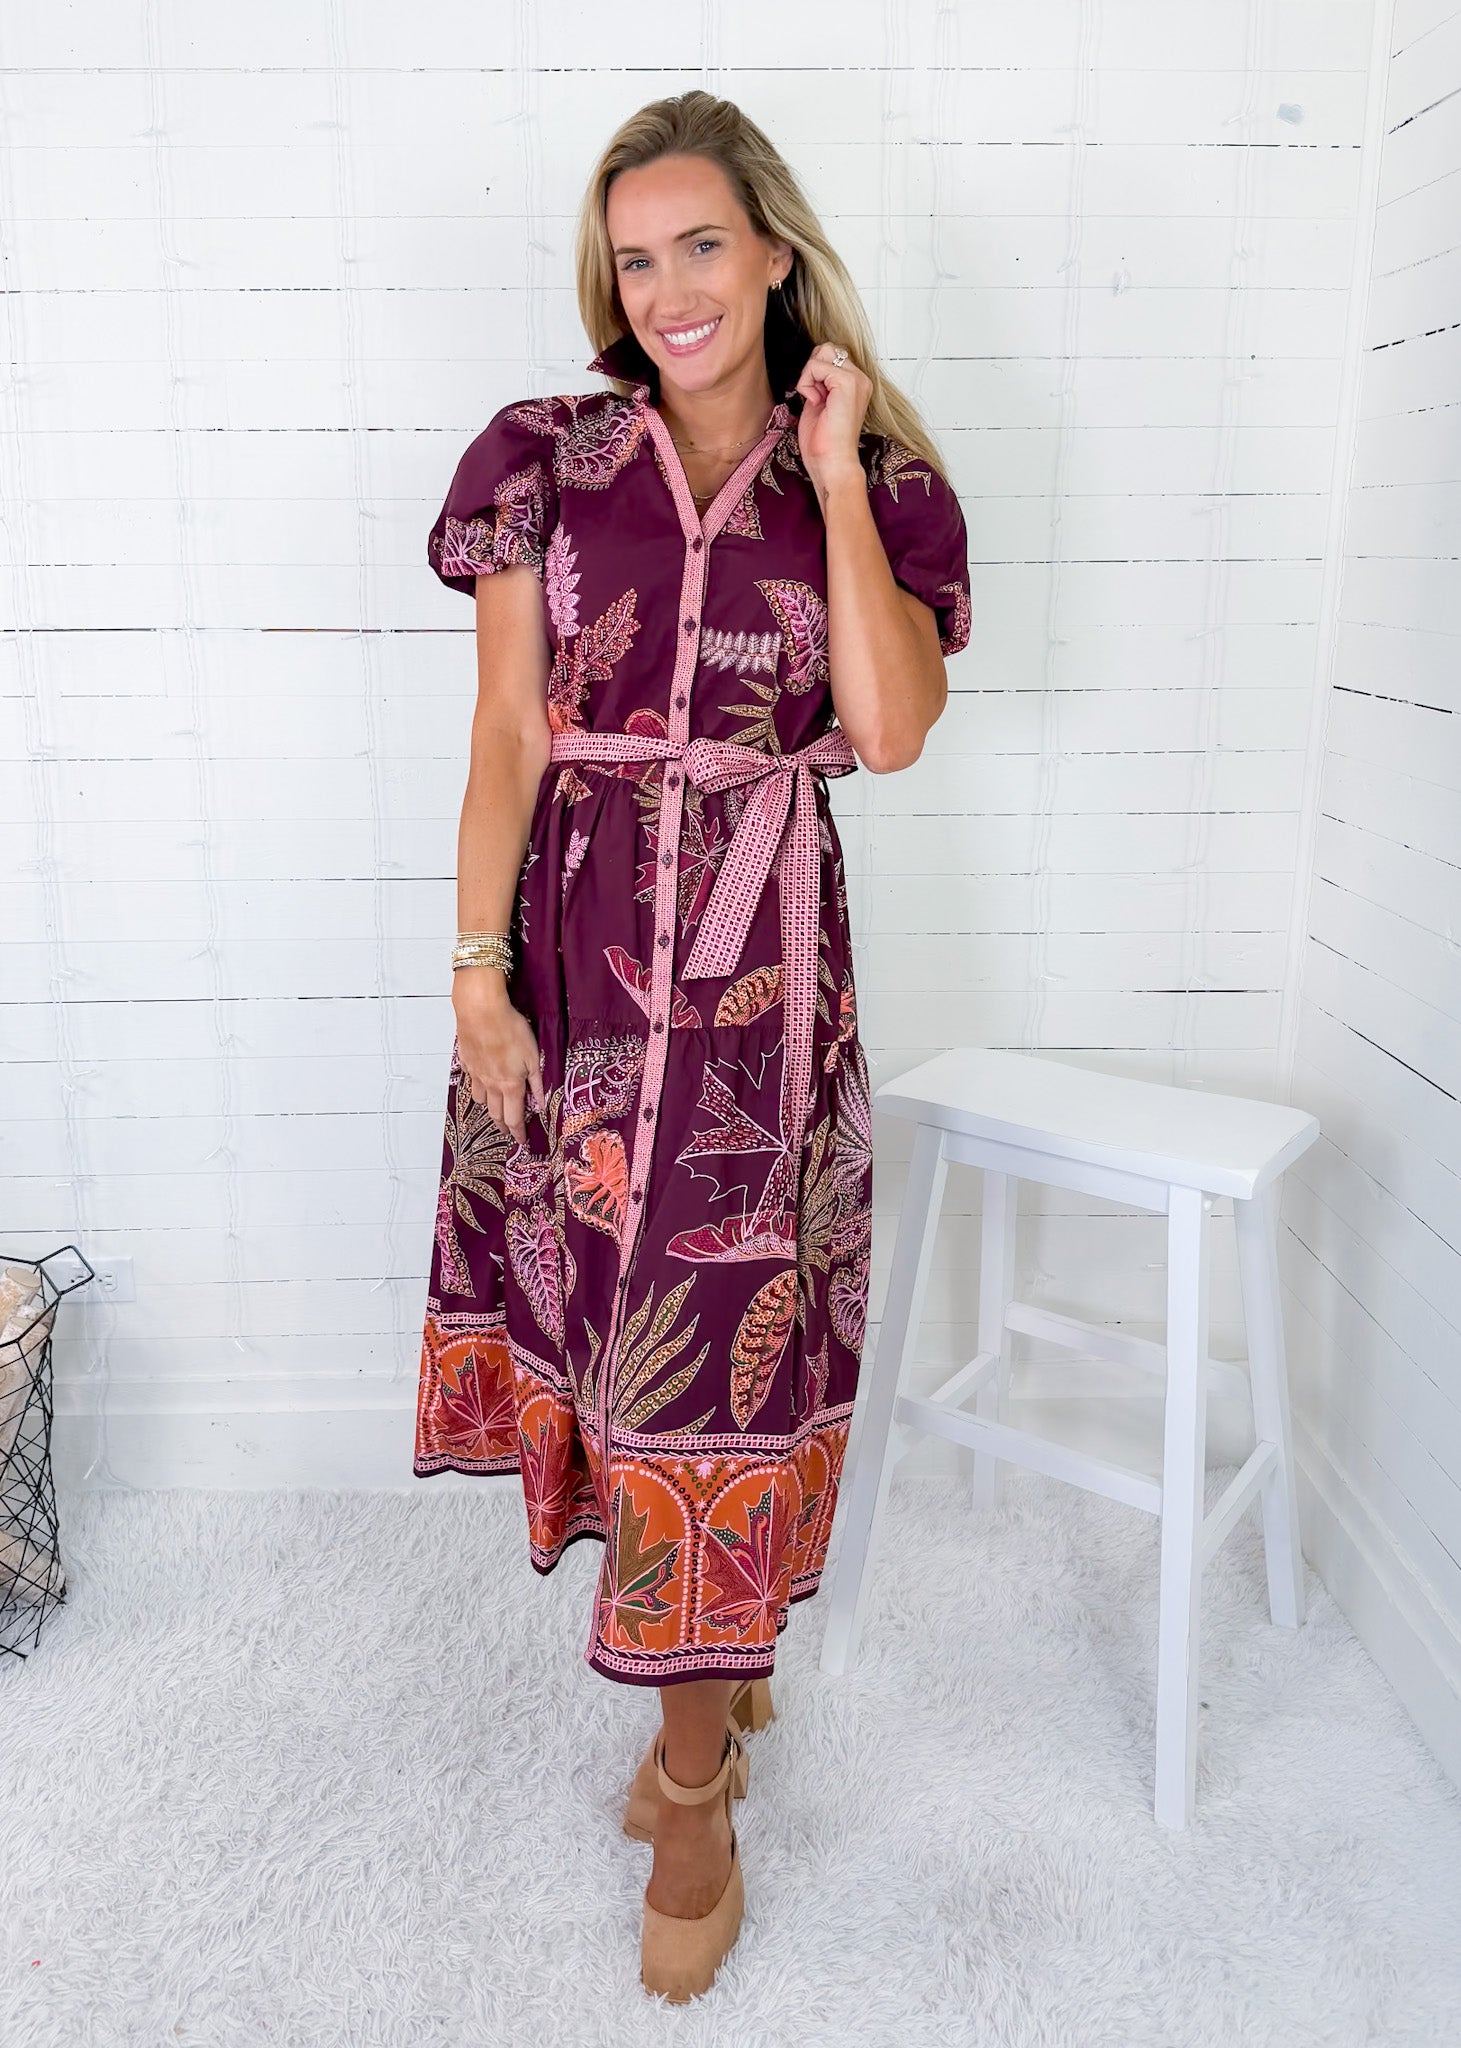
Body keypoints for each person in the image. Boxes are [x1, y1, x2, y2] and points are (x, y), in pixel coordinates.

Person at [413, 88, 971, 2002]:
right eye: (634, 258)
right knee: (615, 1336)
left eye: (701, 248)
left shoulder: (879, 477)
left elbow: (887, 737)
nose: (667, 290)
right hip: (573, 962)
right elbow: (504, 736)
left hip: (761, 984)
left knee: (726, 1355)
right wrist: (476, 970)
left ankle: (693, 1776)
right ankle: (706, 1714)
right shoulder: (545, 460)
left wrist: (823, 481)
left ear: (777, 252)